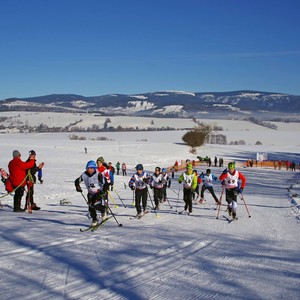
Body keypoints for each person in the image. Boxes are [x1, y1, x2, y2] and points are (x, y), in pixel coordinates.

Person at [75, 160, 108, 226]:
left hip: (98, 193)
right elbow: (77, 181)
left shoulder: (98, 174)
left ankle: (103, 210)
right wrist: (78, 187)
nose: (89, 170)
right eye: (88, 168)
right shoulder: (84, 175)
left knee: (96, 205)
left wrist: (103, 190)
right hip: (90, 193)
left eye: (91, 168)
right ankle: (94, 219)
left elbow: (106, 183)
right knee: (91, 207)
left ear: (94, 168)